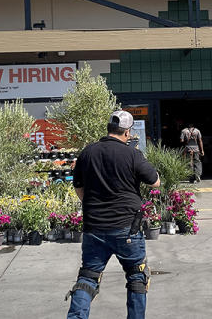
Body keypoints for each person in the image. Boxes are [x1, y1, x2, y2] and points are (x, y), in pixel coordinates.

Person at [66, 110, 161, 319]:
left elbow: (79, 187)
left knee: (88, 277)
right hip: (127, 228)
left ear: (109, 129)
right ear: (127, 133)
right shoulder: (132, 154)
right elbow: (155, 181)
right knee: (137, 276)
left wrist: (92, 205)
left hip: (94, 228)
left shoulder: (87, 153)